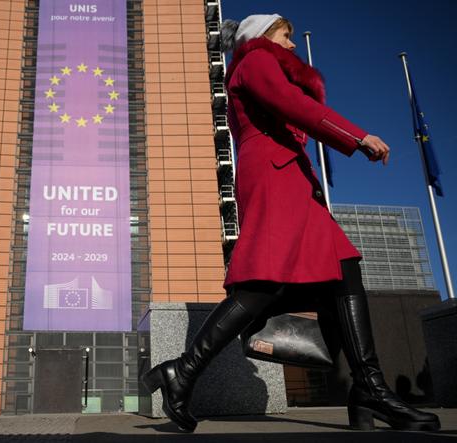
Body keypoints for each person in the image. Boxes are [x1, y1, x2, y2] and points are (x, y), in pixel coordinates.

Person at [141, 14, 441, 433]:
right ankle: (184, 370)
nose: (293, 45)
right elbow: (291, 103)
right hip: (275, 177)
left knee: (343, 267)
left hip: (291, 180)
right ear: (264, 36)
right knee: (263, 280)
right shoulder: (255, 60)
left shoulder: (259, 64)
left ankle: (368, 388)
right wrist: (355, 136)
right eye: (286, 36)